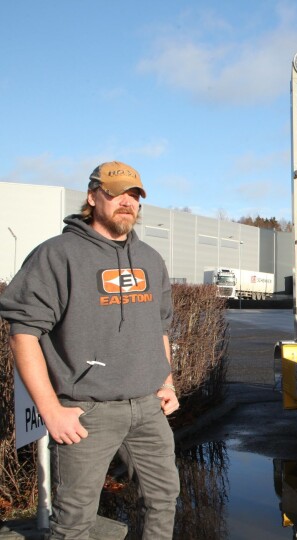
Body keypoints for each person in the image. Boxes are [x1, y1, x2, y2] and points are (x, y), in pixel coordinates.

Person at [0, 161, 180, 539]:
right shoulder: (58, 255)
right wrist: (51, 410)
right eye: (117, 194)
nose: (127, 203)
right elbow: (23, 333)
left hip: (148, 408)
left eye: (134, 196)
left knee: (164, 498)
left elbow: (159, 326)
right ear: (93, 196)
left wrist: (166, 381)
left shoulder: (149, 258)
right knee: (74, 521)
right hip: (86, 414)